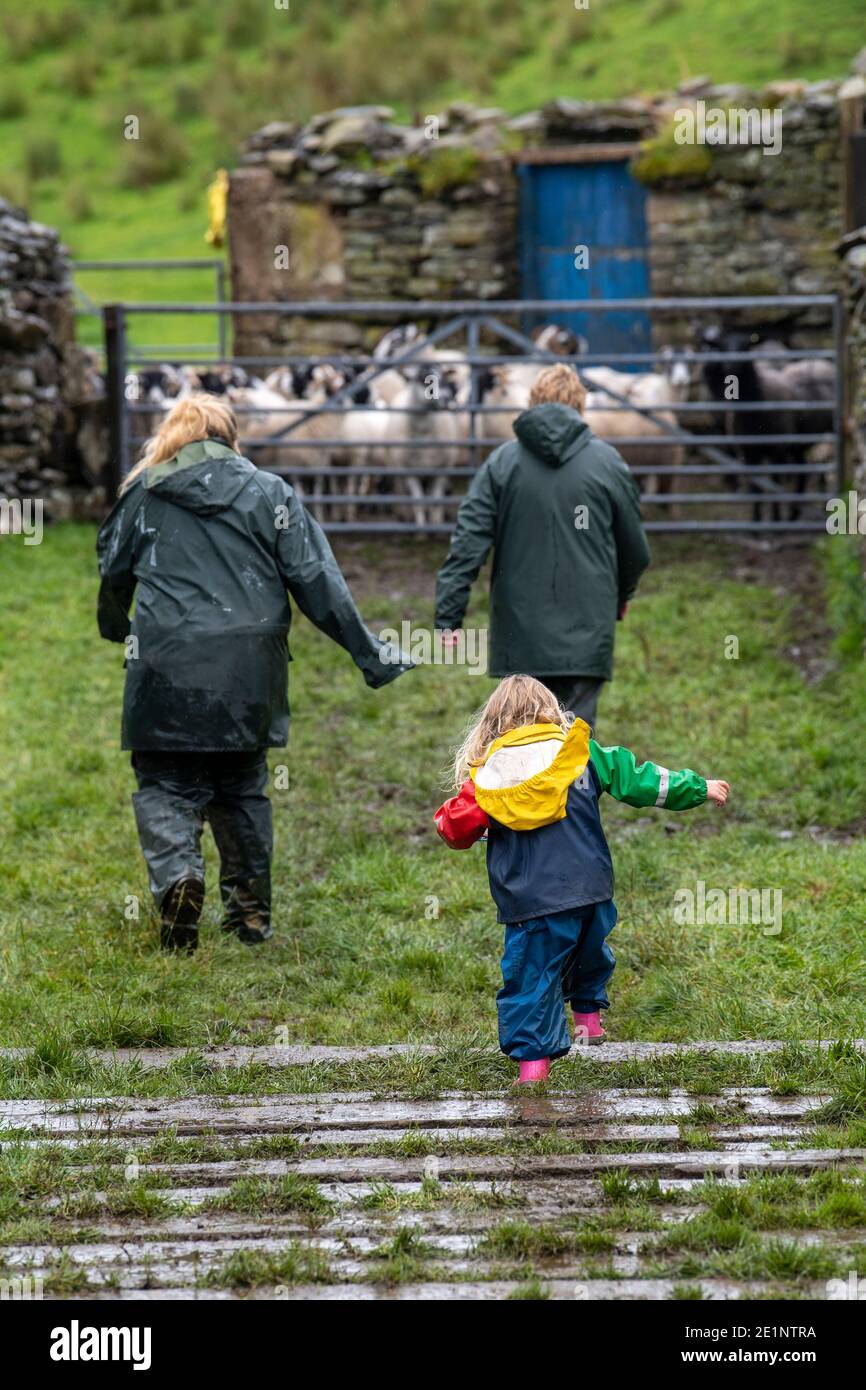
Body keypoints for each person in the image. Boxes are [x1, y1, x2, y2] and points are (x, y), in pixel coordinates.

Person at [97, 394, 410, 952]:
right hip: (249, 672)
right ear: (230, 436)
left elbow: (113, 565)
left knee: (167, 784)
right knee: (241, 788)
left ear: (170, 437)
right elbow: (319, 581)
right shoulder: (271, 493)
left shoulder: (143, 494)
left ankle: (178, 881)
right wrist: (372, 654)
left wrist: (115, 623)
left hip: (164, 666)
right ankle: (250, 915)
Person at [434, 676, 729, 1085]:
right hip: (591, 889)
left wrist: (453, 817)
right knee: (590, 952)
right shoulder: (582, 752)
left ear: (493, 725)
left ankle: (534, 1069)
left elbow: (454, 830)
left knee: (532, 978)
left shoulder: (489, 776)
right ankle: (588, 1018)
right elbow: (640, 780)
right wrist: (698, 788)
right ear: (551, 712)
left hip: (531, 898)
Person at [434, 363, 650, 731]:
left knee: (521, 743)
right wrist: (621, 595)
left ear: (532, 402)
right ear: (581, 406)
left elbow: (469, 541)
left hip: (521, 635)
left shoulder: (502, 463)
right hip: (587, 630)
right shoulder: (607, 463)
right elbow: (635, 548)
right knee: (575, 748)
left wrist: (449, 615)